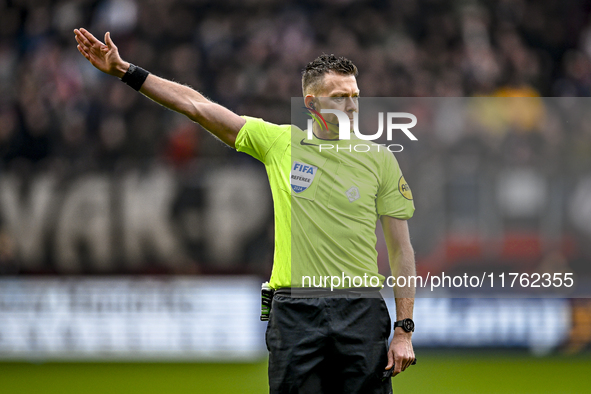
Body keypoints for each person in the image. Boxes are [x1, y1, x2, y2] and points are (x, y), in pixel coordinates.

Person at [74, 28, 416, 393]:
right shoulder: (279, 143)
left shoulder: (380, 158)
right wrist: (127, 71)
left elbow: (401, 250)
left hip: (360, 311)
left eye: (355, 97)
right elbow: (195, 106)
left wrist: (403, 329)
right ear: (312, 103)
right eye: (339, 97)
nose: (351, 106)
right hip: (295, 312)